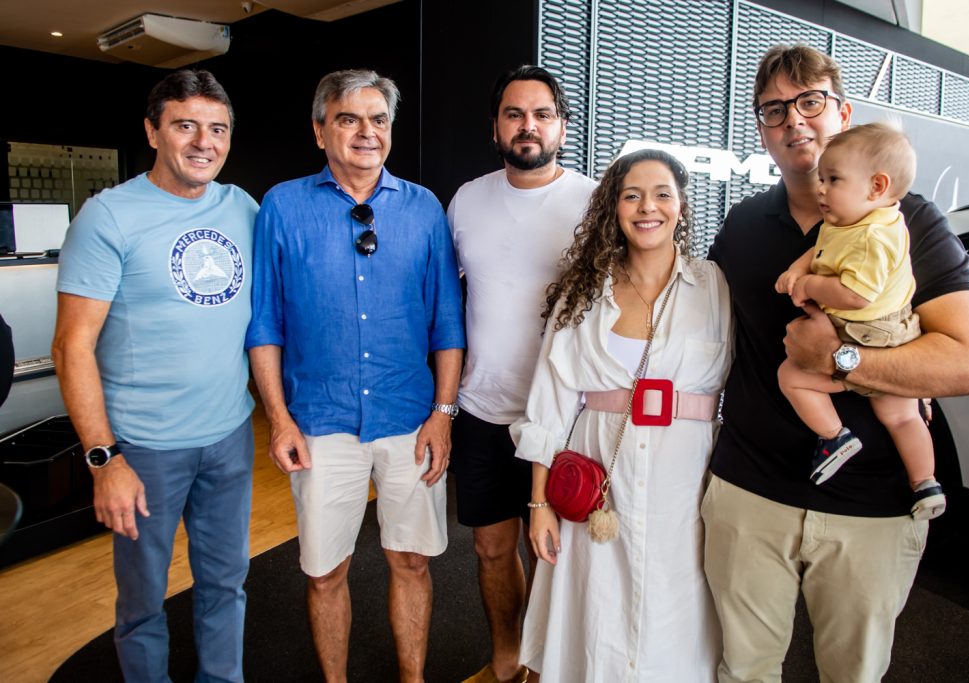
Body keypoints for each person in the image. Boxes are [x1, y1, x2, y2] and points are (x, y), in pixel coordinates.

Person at [703, 44, 969, 683]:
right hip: (749, 494)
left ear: (843, 111)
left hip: (871, 506)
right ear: (760, 128)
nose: (794, 122)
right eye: (774, 110)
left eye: (810, 101)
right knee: (740, 671)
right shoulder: (744, 224)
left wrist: (841, 358)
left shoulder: (907, 222)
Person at [245, 69, 465, 683]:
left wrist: (443, 416)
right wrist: (278, 418)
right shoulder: (283, 206)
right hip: (319, 421)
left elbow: (448, 323)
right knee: (324, 571)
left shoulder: (424, 209)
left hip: (409, 419)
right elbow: (265, 324)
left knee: (412, 561)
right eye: (348, 118)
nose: (366, 132)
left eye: (379, 120)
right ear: (321, 131)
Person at [51, 69, 257, 682]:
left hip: (229, 436)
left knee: (227, 583)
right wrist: (104, 459)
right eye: (185, 125)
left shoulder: (242, 206)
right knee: (143, 604)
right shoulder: (107, 217)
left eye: (217, 128)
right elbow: (70, 347)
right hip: (143, 448)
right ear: (153, 131)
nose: (203, 142)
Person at [512, 149, 733, 682]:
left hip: (684, 481)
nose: (646, 207)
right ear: (613, 208)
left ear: (682, 207)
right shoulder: (583, 291)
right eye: (631, 195)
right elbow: (550, 401)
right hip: (597, 476)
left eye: (661, 194)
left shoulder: (714, 286)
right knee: (597, 605)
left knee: (675, 605)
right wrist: (539, 502)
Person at [447, 65, 596, 683]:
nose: (527, 125)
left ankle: (548, 662)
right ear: (496, 127)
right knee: (490, 548)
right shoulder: (466, 199)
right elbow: (446, 305)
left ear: (562, 125)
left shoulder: (594, 203)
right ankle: (508, 657)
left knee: (554, 549)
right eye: (514, 114)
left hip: (565, 414)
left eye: (541, 114)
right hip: (483, 409)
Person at [775, 122, 946, 519]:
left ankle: (834, 436)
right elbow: (822, 247)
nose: (820, 188)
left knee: (792, 377)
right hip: (887, 331)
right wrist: (797, 268)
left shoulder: (873, 238)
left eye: (832, 179)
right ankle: (926, 483)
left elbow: (856, 294)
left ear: (877, 186)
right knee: (901, 415)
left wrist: (812, 285)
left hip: (870, 333)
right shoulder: (852, 221)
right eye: (821, 178)